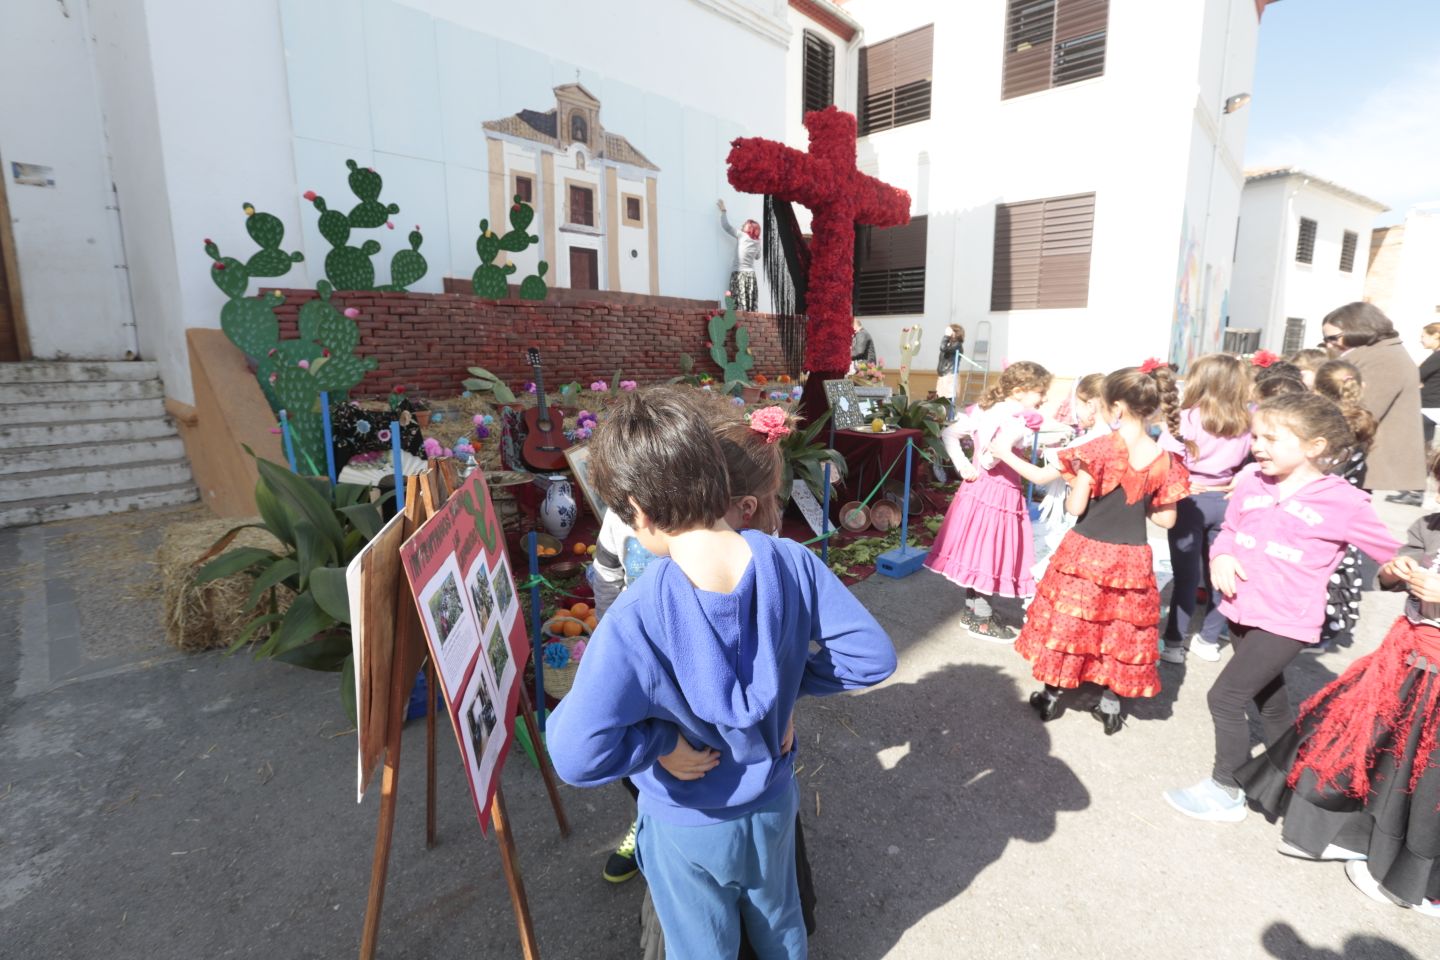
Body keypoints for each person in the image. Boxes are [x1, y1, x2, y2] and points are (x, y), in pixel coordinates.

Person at [549, 387, 896, 959]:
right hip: (773, 801)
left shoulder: (637, 616)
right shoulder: (792, 561)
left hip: (687, 821)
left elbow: (575, 753)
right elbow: (871, 657)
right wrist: (783, 693)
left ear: (638, 509)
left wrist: (657, 742)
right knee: (781, 924)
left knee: (702, 945)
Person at [1163, 393, 1399, 822]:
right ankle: (1288, 781)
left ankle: (1226, 789)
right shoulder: (1252, 481)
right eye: (1257, 436)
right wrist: (1222, 556)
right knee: (1270, 702)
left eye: (1273, 438)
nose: (1259, 446)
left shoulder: (1345, 502)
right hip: (1239, 610)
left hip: (1287, 621)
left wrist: (1408, 573)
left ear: (1315, 446)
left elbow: (1394, 555)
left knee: (1225, 697)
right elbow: (1230, 530)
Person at [591, 399, 791, 890]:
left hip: (749, 757)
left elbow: (779, 639)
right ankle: (645, 821)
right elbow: (605, 581)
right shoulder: (627, 521)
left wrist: (787, 708)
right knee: (673, 788)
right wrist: (654, 747)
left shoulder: (762, 541)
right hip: (655, 686)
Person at [1237, 449, 1440, 917]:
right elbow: (1392, 569)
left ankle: (1416, 877)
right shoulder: (1429, 525)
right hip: (1401, 660)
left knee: (1423, 780)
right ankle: (1345, 835)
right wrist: (1396, 570)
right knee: (1362, 749)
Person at [1014, 364, 1190, 734]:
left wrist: (1078, 485)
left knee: (1071, 621)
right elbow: (1166, 521)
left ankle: (1051, 696)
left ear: (1116, 407)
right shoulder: (1165, 460)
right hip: (1131, 555)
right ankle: (1110, 704)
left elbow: (1075, 508)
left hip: (1086, 551)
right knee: (1120, 628)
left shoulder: (1098, 450)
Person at [924, 361, 1053, 642]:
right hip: (999, 492)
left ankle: (972, 611)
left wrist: (963, 466)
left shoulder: (986, 409)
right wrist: (988, 456)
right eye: (1040, 392)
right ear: (1020, 391)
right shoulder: (1015, 419)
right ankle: (981, 619)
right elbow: (991, 456)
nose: (1043, 399)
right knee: (991, 553)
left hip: (976, 489)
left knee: (977, 550)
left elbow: (949, 434)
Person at [1157, 354, 1254, 664]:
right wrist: (1241, 476)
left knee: (1185, 576)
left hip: (1189, 500)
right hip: (1228, 501)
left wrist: (1182, 482)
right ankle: (1210, 637)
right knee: (1222, 573)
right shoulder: (1248, 420)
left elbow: (1163, 461)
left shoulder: (1185, 417)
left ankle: (1173, 642)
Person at [1322, 302, 1426, 505]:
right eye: (1325, 339)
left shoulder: (1384, 358)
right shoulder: (1377, 354)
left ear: (1358, 329)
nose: (1328, 344)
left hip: (1357, 458)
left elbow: (1359, 414)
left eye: (1333, 338)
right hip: (1354, 457)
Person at [1308, 359, 1380, 653]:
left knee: (1317, 569)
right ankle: (1329, 630)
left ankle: (1315, 630)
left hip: (1319, 509)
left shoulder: (1319, 425)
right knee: (1337, 571)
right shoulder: (1361, 421)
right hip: (1346, 508)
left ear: (1316, 388)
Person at [1030, 373, 1108, 579]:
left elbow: (1040, 476)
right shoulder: (1119, 438)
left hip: (1081, 521)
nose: (1076, 412)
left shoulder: (1086, 444)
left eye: (1077, 405)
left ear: (1090, 405)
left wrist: (1003, 452)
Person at [717, 199, 761, 311]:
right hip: (750, 276)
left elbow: (726, 226)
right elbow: (757, 256)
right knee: (748, 307)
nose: (742, 225)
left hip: (738, 274)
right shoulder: (757, 242)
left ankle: (738, 326)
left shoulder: (741, 235)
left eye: (745, 224)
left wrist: (723, 211)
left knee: (736, 306)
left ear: (749, 228)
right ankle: (749, 325)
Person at [1419, 322, 1440, 449]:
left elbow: (1417, 375)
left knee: (1424, 447)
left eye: (1423, 336)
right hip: (1434, 406)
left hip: (1429, 407)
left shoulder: (1437, 357)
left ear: (1436, 336)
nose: (1420, 340)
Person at [935, 324, 967, 408]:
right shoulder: (949, 343)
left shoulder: (957, 345)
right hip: (943, 375)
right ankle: (943, 416)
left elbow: (942, 348)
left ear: (955, 333)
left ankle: (949, 416)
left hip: (949, 375)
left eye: (950, 331)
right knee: (940, 398)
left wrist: (946, 336)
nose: (947, 333)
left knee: (947, 399)